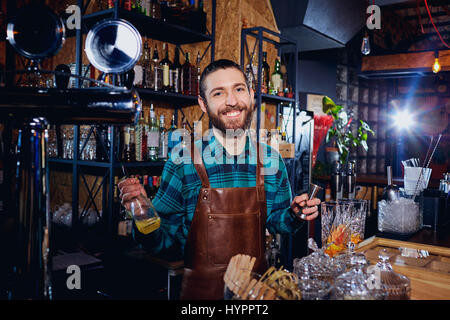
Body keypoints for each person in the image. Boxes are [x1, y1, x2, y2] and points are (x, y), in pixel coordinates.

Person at [118, 59, 321, 300]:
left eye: (239, 89)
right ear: (203, 104)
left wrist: (295, 214)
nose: (232, 101)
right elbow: (160, 242)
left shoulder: (271, 160)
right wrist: (143, 214)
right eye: (218, 93)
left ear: (251, 95)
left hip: (256, 294)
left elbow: (278, 223)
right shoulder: (183, 161)